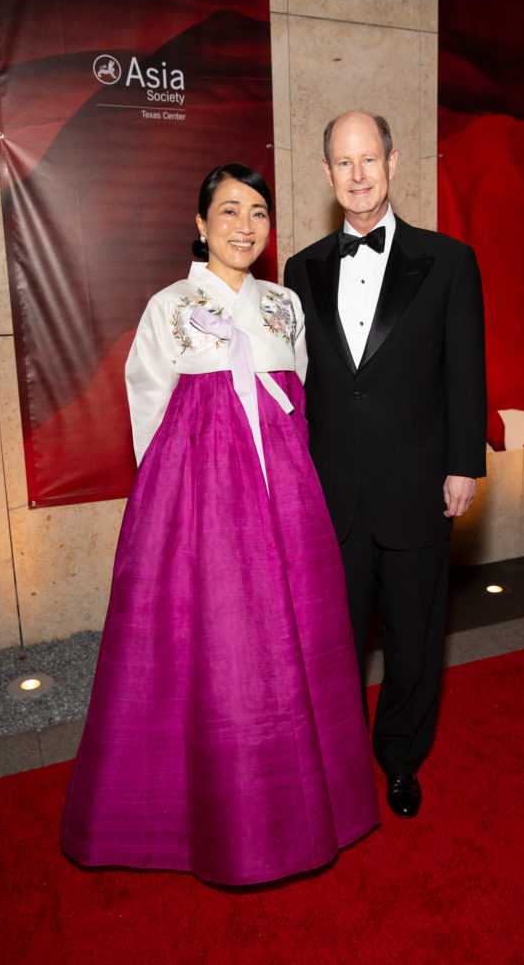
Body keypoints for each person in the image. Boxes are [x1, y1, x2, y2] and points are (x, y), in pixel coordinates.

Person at [60, 163, 379, 885]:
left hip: (289, 501)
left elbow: (296, 399)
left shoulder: (285, 306)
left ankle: (312, 804)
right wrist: (170, 510)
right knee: (222, 650)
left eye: (259, 212)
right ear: (201, 225)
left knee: (300, 641)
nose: (245, 224)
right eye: (229, 211)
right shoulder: (168, 306)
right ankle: (205, 813)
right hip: (203, 508)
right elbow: (149, 408)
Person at [284, 112, 487, 819]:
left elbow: (465, 373)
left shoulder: (449, 260)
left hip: (417, 486)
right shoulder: (299, 267)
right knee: (332, 641)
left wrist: (463, 465)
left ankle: (399, 758)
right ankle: (336, 763)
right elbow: (297, 382)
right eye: (343, 162)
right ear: (326, 173)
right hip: (331, 490)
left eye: (368, 159)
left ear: (393, 163)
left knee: (413, 639)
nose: (358, 174)